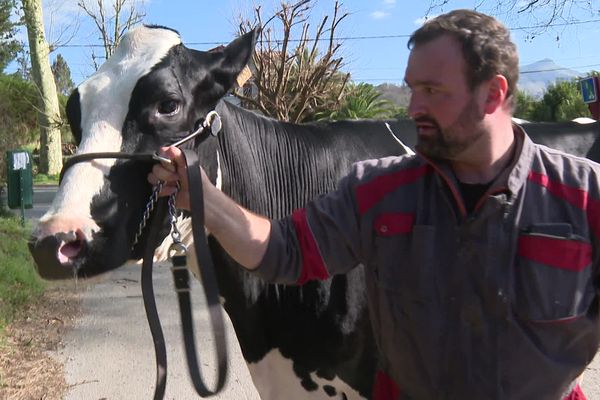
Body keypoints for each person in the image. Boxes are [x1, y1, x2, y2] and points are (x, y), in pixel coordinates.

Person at [148, 9, 598, 400]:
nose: (413, 106)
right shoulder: (378, 191)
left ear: (494, 94)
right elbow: (283, 250)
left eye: (432, 90)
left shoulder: (585, 198)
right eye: (411, 89)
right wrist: (206, 198)